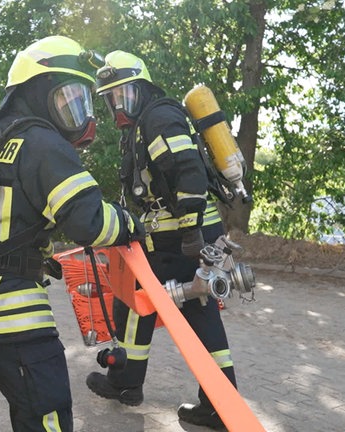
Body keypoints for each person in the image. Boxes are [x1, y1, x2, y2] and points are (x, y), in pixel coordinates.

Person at [0, 36, 144, 432]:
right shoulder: (42, 143)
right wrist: (129, 223)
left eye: (80, 100)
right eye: (67, 98)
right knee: (47, 413)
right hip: (13, 315)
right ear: (39, 91)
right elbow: (88, 222)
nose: (78, 113)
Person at [84, 50, 236, 430]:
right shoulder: (144, 123)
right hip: (187, 234)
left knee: (138, 302)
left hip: (181, 236)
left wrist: (189, 230)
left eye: (123, 94)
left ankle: (126, 383)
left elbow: (187, 170)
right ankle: (219, 403)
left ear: (142, 89)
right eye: (111, 98)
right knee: (195, 309)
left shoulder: (159, 117)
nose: (117, 105)